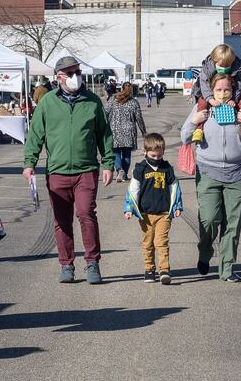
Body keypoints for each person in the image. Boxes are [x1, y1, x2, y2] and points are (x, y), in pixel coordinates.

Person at [23, 54, 114, 284]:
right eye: (70, 73)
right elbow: (35, 136)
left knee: (86, 214)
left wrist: (109, 163)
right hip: (57, 172)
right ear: (59, 78)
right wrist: (29, 164)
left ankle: (92, 263)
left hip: (86, 170)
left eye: (78, 73)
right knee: (62, 221)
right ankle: (66, 265)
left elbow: (104, 134)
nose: (76, 77)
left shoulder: (93, 101)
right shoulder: (47, 103)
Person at [184, 72, 241, 281]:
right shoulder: (203, 108)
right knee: (210, 219)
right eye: (218, 89)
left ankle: (227, 268)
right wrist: (194, 121)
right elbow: (184, 136)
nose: (222, 94)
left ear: (233, 90)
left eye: (226, 89)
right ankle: (205, 251)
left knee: (232, 224)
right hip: (208, 171)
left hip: (236, 173)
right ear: (212, 90)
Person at [123, 132, 183, 283]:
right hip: (145, 214)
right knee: (148, 242)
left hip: (163, 213)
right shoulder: (140, 169)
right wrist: (129, 208)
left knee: (161, 242)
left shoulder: (167, 168)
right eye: (153, 156)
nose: (156, 159)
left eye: (159, 156)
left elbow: (174, 187)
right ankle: (149, 269)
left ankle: (164, 270)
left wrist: (177, 205)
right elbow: (133, 190)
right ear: (145, 152)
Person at [190, 44, 241, 144]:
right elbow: (204, 85)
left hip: (230, 93)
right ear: (214, 60)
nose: (224, 68)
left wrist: (234, 99)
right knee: (202, 104)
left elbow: (239, 86)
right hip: (207, 92)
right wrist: (210, 99)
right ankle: (199, 129)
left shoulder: (236, 67)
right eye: (221, 66)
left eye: (227, 66)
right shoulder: (207, 68)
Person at [104, 82, 146, 181]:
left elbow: (105, 113)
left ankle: (119, 170)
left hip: (115, 129)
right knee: (127, 153)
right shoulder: (134, 102)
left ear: (121, 88)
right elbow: (139, 118)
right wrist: (143, 131)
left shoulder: (113, 99)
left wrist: (103, 127)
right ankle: (125, 174)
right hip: (129, 130)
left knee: (116, 152)